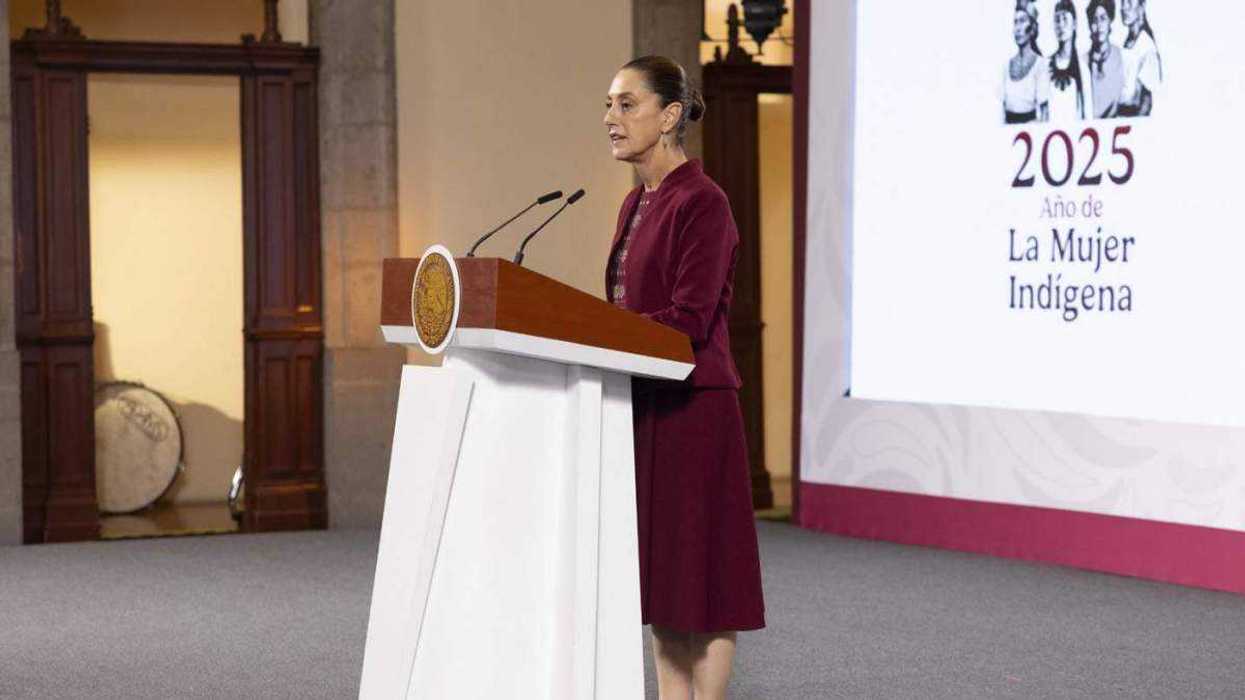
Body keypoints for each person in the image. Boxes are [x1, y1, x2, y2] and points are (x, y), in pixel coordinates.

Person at [603, 55, 765, 700]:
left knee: (705, 580)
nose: (612, 119)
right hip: (643, 407)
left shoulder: (704, 201)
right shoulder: (634, 202)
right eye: (609, 106)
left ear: (670, 116)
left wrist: (606, 336)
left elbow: (690, 318)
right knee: (665, 584)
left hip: (694, 412)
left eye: (627, 104)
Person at [1003, 0, 1050, 124]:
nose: (1018, 28)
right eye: (1015, 22)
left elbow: (1044, 112)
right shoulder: (1006, 66)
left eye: (1022, 21)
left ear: (1032, 28)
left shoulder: (1040, 64)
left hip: (1030, 132)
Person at [1048, 0, 1091, 120]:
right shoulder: (1046, 66)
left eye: (1065, 19)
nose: (1061, 25)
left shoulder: (1083, 68)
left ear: (1074, 24)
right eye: (1057, 20)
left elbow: (1088, 113)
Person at [1118, 0, 1161, 116]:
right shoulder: (1128, 43)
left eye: (1129, 2)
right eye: (1122, 2)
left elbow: (1146, 103)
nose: (1123, 7)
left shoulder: (1146, 46)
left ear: (1141, 6)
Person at [1086, 0, 1124, 118]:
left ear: (1110, 21)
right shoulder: (1083, 61)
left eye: (1103, 18)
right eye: (1094, 20)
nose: (1099, 26)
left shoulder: (1121, 56)